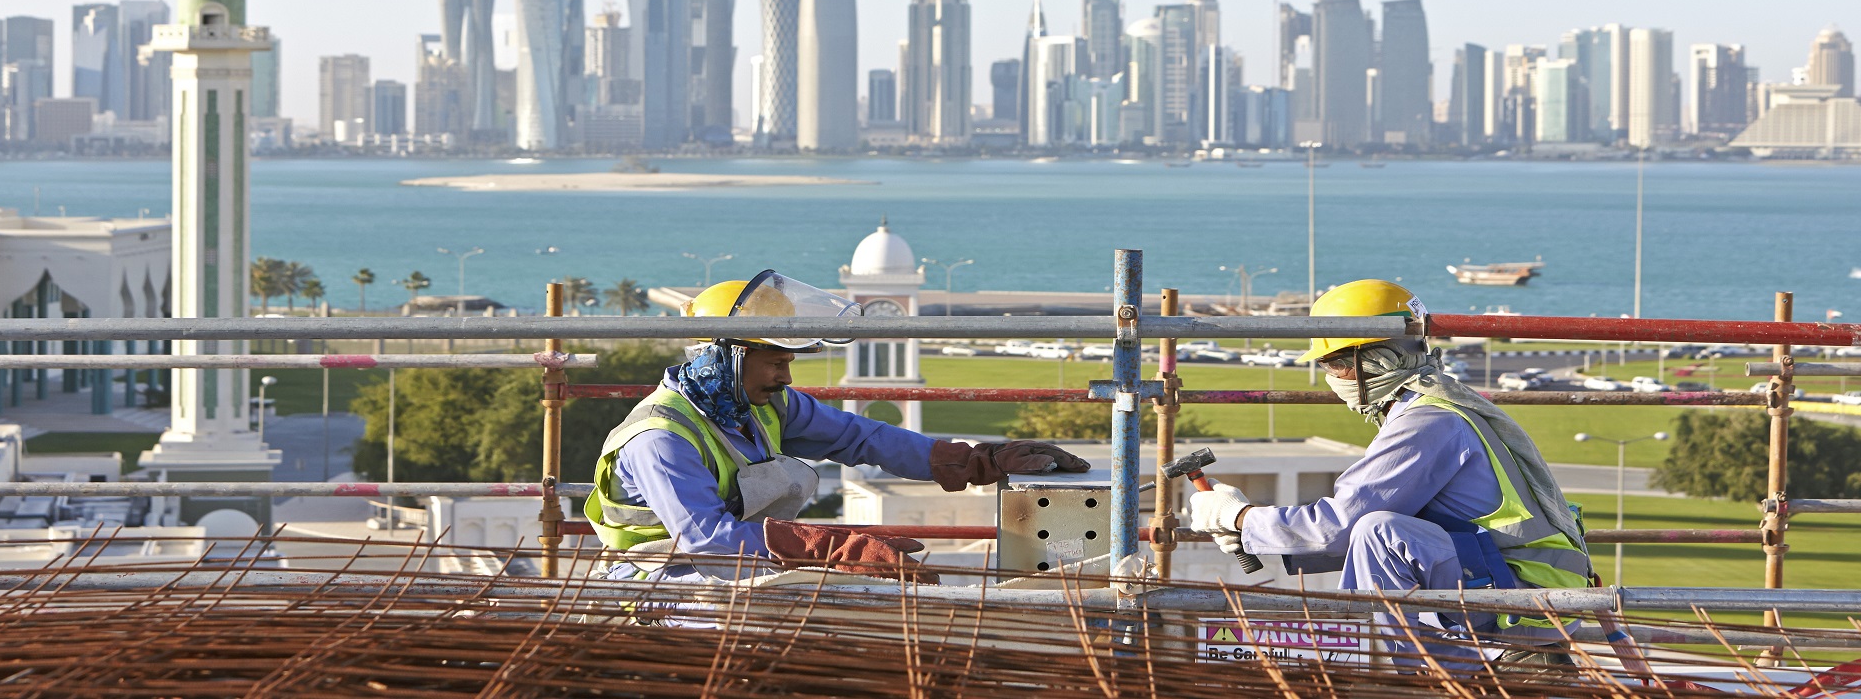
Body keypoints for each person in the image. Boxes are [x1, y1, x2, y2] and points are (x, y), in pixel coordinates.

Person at [1184, 279, 1592, 671]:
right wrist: (1256, 536)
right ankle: (1460, 671)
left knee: (1380, 532)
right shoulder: (1440, 404)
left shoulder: (1426, 421)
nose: (1330, 378)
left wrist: (1238, 516)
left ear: (1378, 360)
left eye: (1335, 364)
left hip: (1522, 602)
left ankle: (1430, 678)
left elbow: (1341, 524)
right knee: (1380, 529)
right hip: (1523, 585)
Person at [585, 269, 1089, 584]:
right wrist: (835, 547)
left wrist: (975, 459)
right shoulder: (662, 438)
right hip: (663, 584)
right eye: (774, 361)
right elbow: (708, 542)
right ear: (725, 357)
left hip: (742, 572)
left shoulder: (760, 405)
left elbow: (859, 436)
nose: (785, 375)